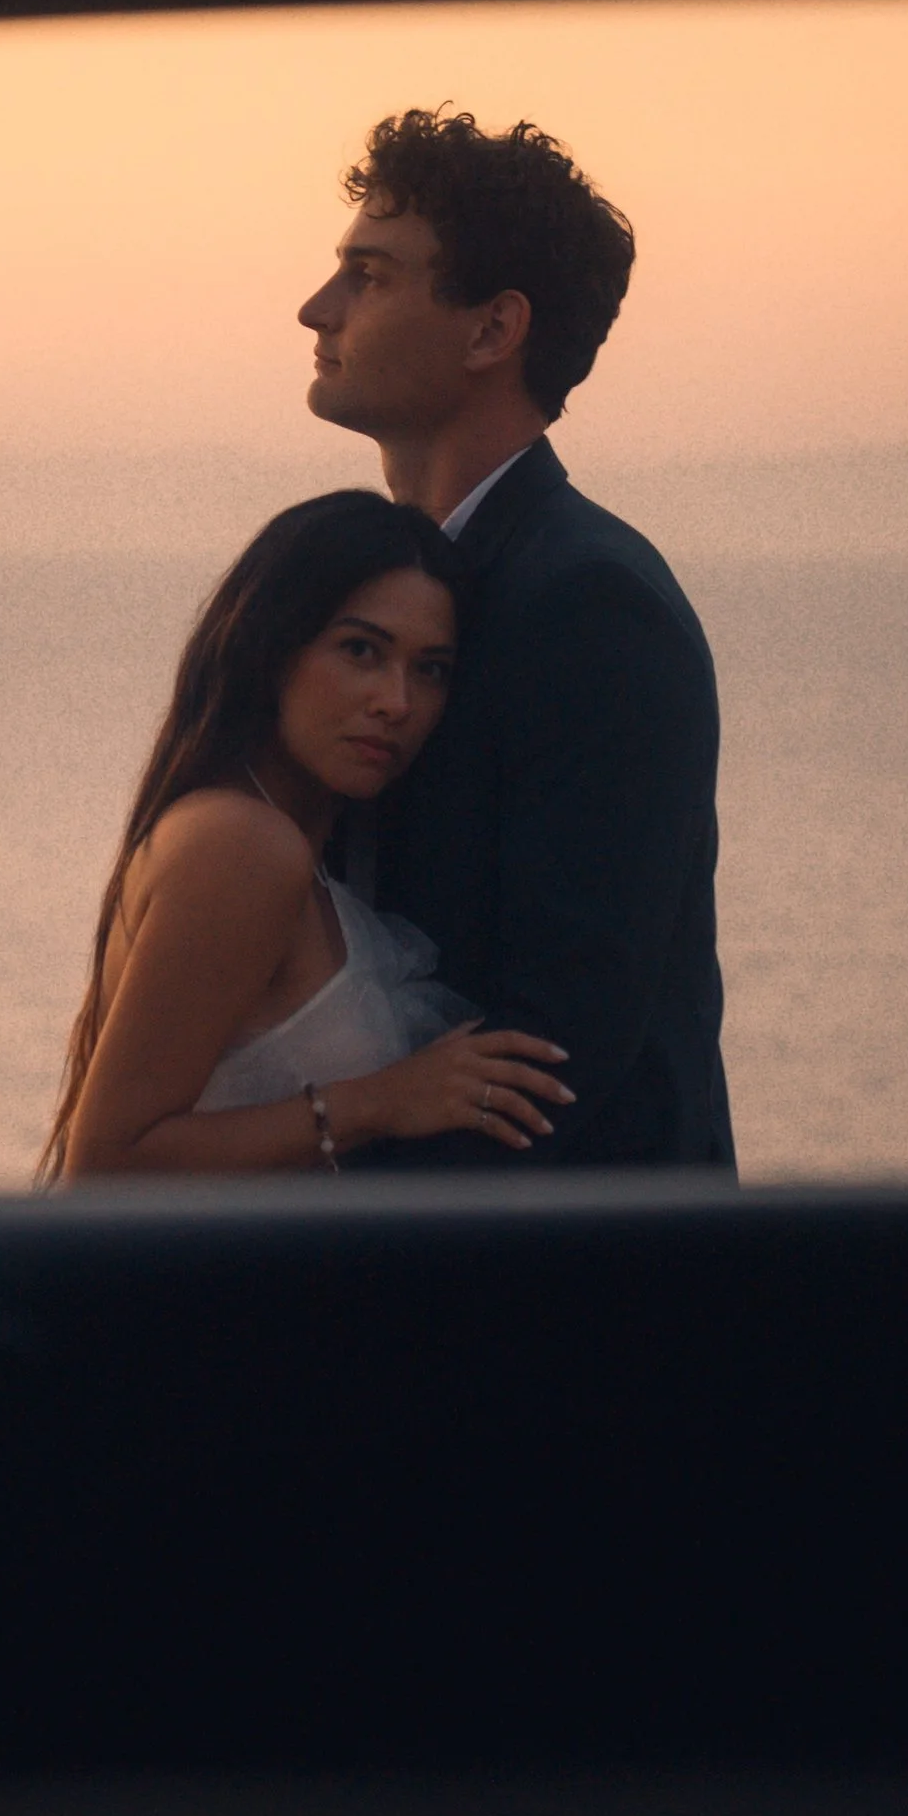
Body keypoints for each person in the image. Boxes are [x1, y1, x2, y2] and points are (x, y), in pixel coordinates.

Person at [297, 107, 732, 1172]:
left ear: (492, 331)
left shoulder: (591, 604)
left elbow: (553, 1050)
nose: (314, 306)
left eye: (369, 273)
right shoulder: (393, 584)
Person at [42, 491, 572, 1180]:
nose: (397, 702)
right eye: (361, 650)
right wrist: (382, 1099)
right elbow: (106, 1165)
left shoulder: (291, 841)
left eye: (430, 669)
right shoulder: (242, 844)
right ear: (270, 646)